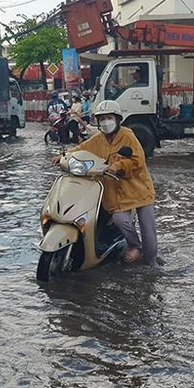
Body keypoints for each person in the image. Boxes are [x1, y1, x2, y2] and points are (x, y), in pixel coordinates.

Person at [57, 101, 159, 266]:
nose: (105, 122)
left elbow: (137, 161)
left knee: (148, 231)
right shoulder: (98, 139)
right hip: (116, 194)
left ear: (118, 119)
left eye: (109, 118)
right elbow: (82, 148)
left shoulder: (128, 136)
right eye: (102, 119)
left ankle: (152, 264)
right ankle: (135, 245)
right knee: (119, 219)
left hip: (138, 190)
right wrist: (63, 155)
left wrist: (118, 166)